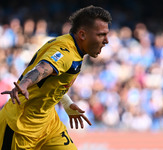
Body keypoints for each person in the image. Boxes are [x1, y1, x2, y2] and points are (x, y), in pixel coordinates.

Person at [0, 5, 112, 150]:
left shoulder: (71, 45)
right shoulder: (66, 53)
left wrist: (67, 104)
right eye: (101, 35)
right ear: (83, 35)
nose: (106, 40)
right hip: (20, 126)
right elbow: (43, 68)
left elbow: (53, 80)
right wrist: (25, 83)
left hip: (48, 123)